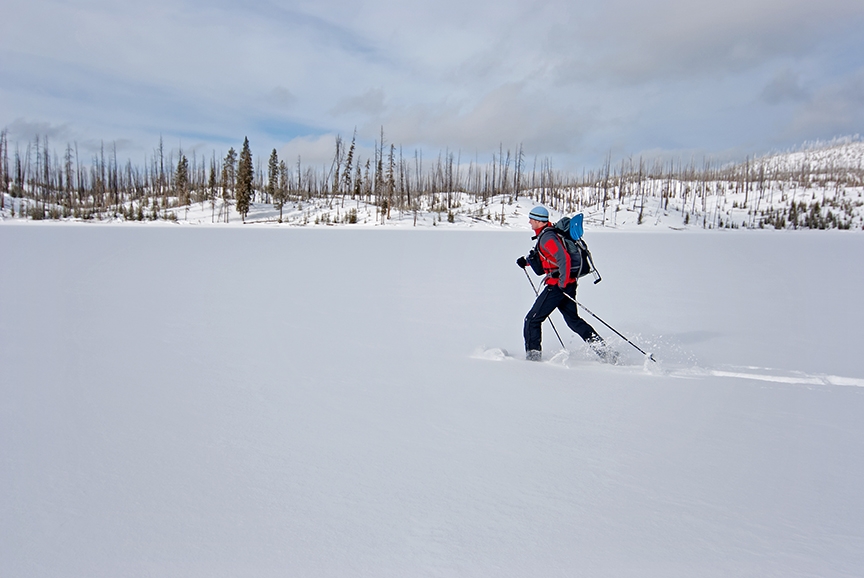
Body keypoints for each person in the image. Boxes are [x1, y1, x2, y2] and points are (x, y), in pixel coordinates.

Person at [516, 206, 617, 363]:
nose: (529, 222)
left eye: (531, 219)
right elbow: (549, 258)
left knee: (532, 320)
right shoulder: (548, 234)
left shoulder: (547, 237)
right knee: (573, 320)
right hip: (567, 284)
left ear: (538, 221)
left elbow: (564, 259)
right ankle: (605, 352)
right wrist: (527, 262)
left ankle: (533, 360)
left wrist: (562, 283)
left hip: (557, 286)